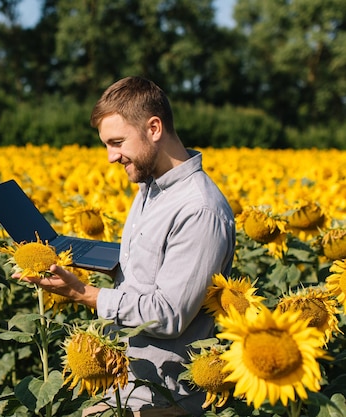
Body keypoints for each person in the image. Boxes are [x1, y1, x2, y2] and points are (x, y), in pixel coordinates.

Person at [21, 76, 236, 416]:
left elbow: (169, 315)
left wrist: (84, 294)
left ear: (154, 128)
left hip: (164, 394)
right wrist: (87, 256)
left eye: (117, 142)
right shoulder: (151, 189)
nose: (110, 157)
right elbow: (150, 271)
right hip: (127, 380)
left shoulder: (199, 210)